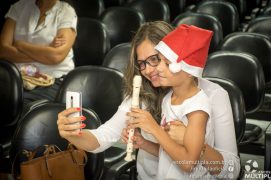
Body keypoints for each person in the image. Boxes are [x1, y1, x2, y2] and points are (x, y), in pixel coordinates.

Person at [57, 21, 240, 179]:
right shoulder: (143, 92)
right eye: (142, 63)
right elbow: (104, 136)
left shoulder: (214, 95)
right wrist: (74, 135)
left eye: (155, 59)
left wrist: (194, 144)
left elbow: (232, 171)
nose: (149, 70)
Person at [125, 24, 216, 179]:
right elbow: (168, 151)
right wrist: (143, 144)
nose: (157, 68)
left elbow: (188, 163)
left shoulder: (198, 107)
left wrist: (155, 129)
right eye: (159, 61)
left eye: (166, 64)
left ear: (189, 70)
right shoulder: (169, 98)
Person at [0, 0, 77, 105]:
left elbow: (56, 56)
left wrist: (19, 45)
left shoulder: (67, 12)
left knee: (21, 106)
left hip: (52, 79)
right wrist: (46, 51)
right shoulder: (19, 6)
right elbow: (3, 51)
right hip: (16, 76)